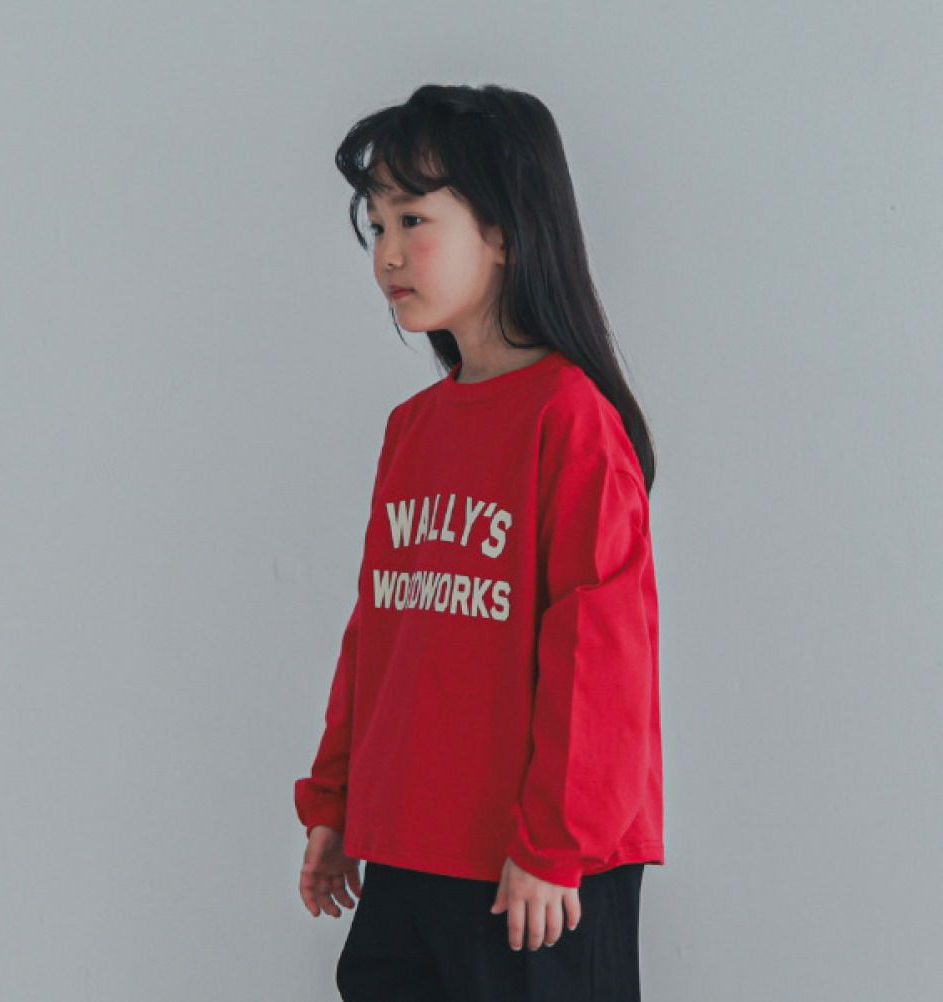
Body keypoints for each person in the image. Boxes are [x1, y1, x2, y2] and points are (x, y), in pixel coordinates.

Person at [293, 82, 664, 1002]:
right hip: (409, 853)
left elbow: (600, 651)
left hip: (533, 872)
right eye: (376, 225)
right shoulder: (414, 430)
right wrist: (336, 800)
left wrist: (552, 844)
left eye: (413, 219)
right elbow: (377, 636)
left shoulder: (571, 421)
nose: (387, 254)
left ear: (503, 230)